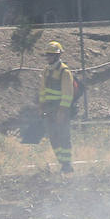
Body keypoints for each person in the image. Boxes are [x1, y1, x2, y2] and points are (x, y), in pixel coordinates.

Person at [38, 41, 76, 173]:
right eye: (47, 55)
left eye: (51, 55)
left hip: (60, 110)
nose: (48, 57)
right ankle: (62, 163)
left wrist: (62, 111)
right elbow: (43, 90)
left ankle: (67, 165)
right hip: (49, 110)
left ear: (58, 56)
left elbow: (68, 94)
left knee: (63, 137)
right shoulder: (46, 71)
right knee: (53, 137)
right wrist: (41, 106)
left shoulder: (64, 72)